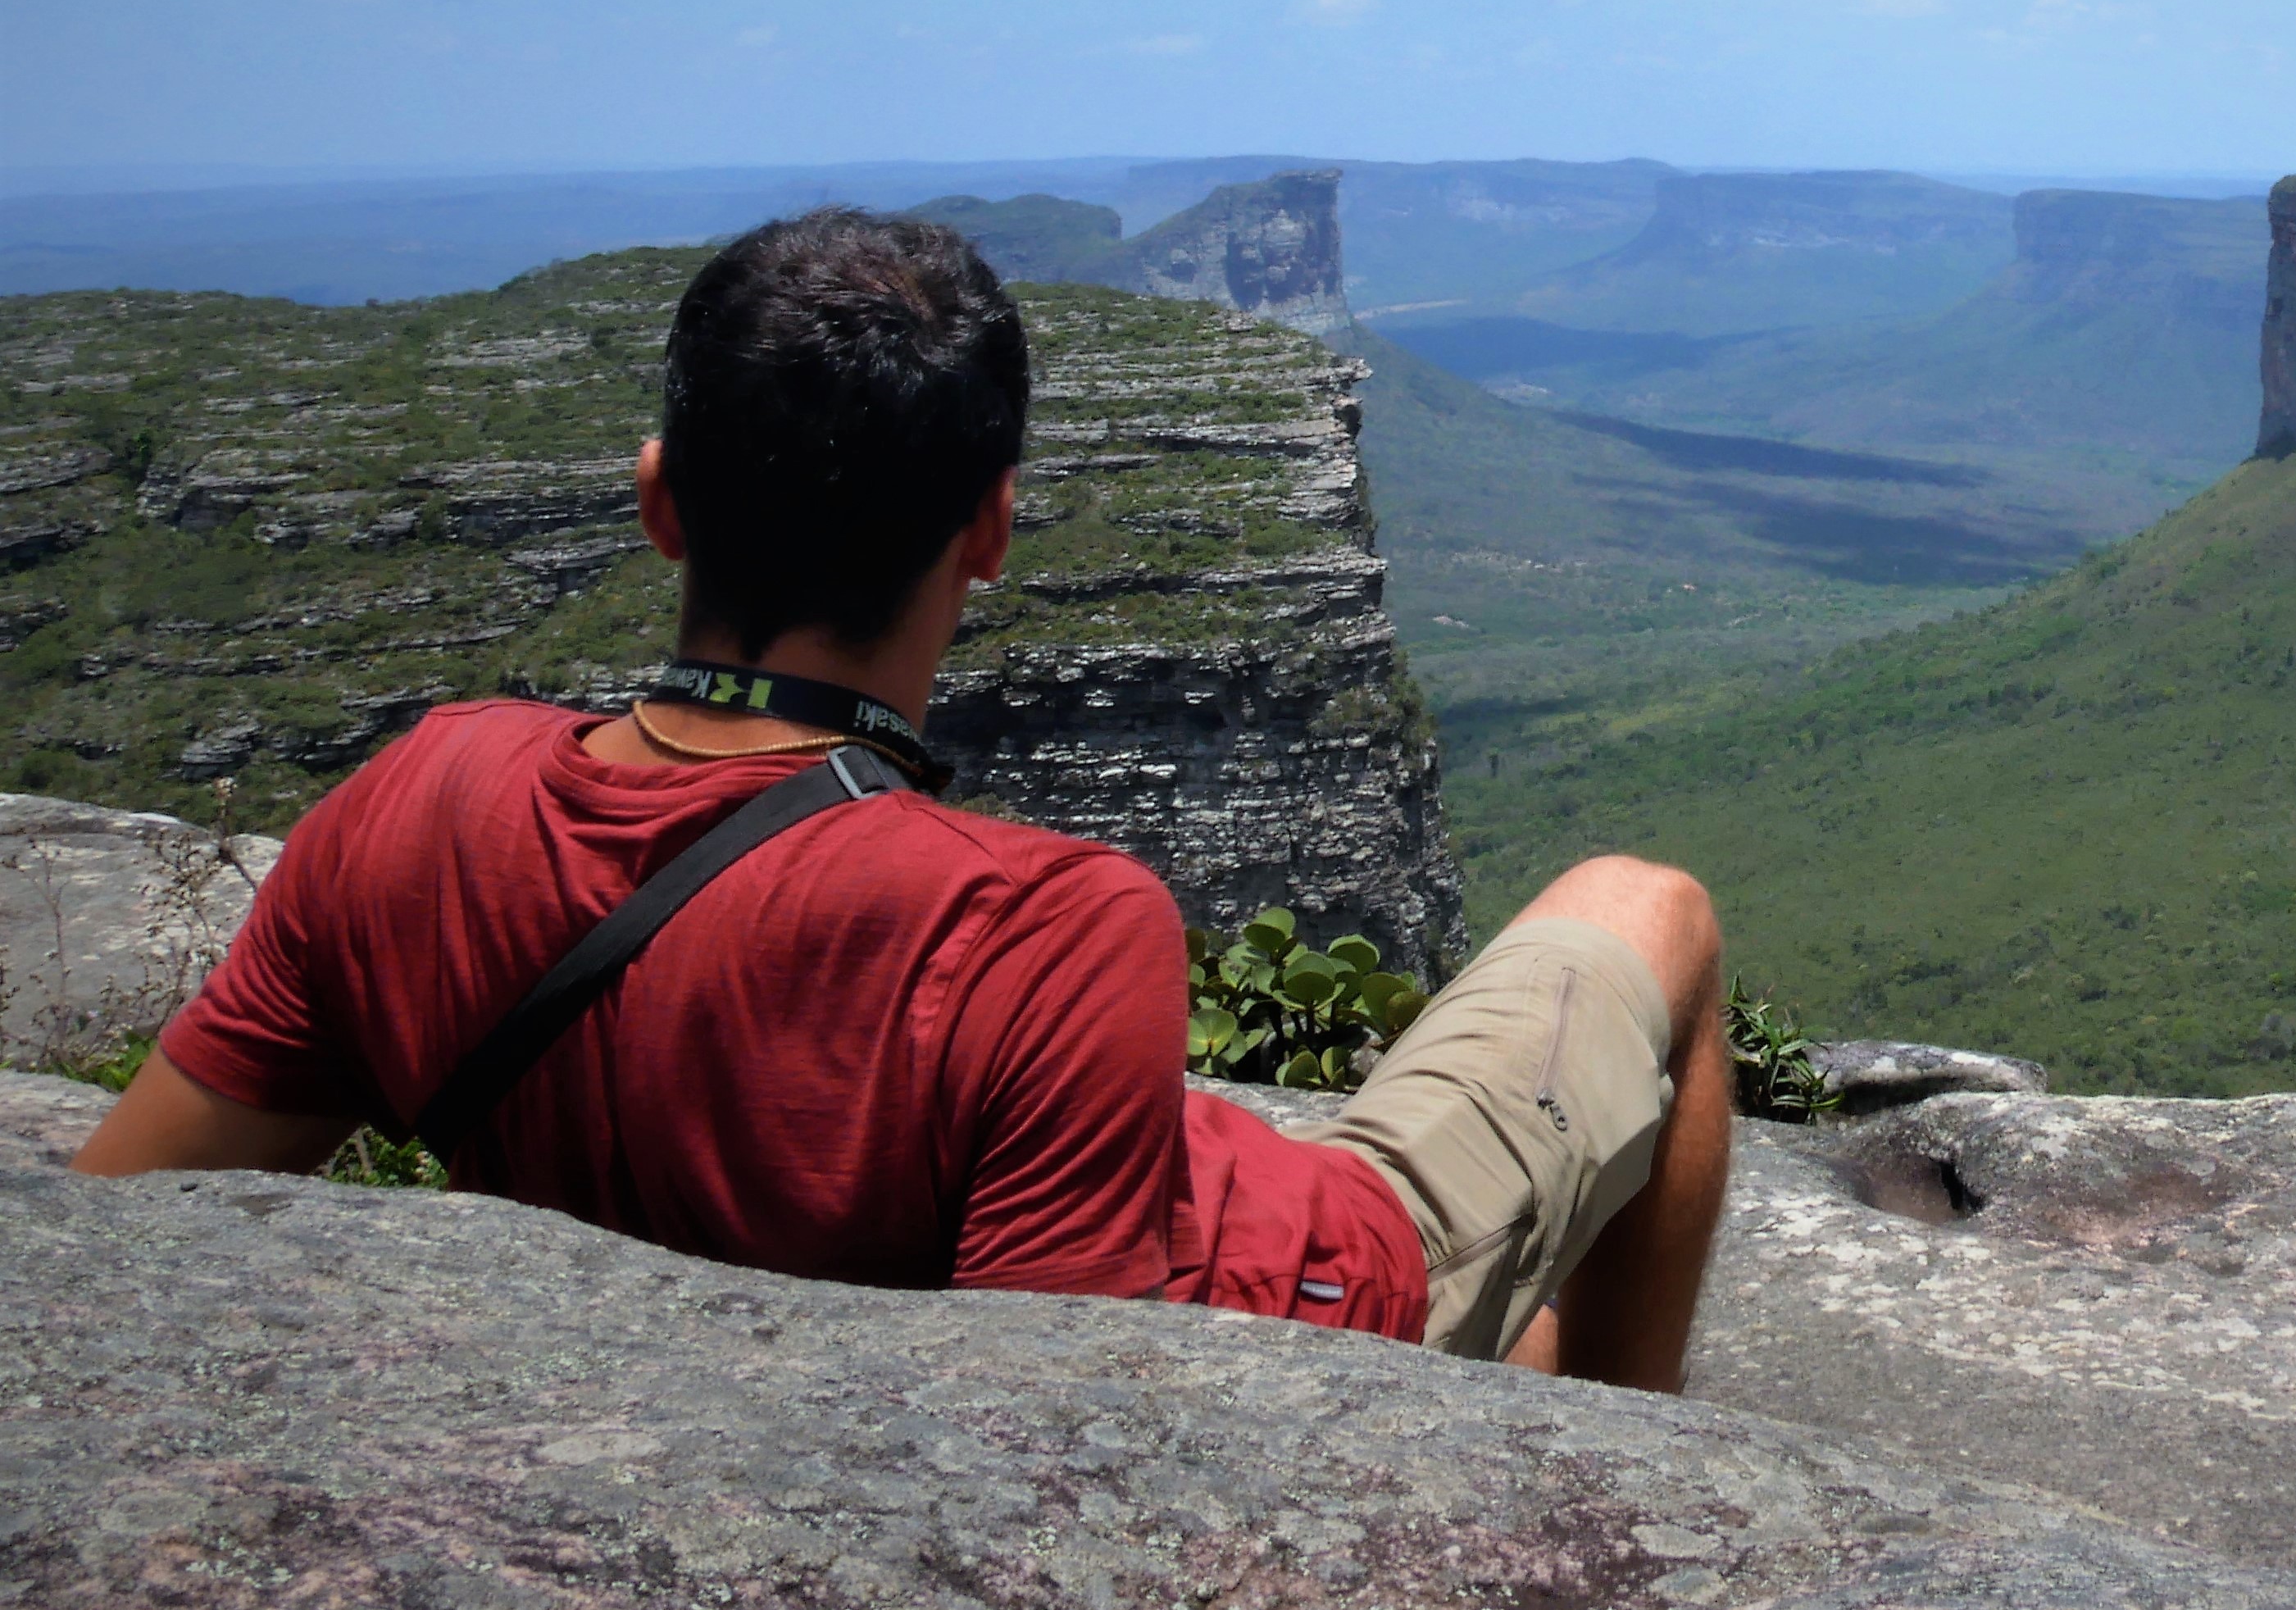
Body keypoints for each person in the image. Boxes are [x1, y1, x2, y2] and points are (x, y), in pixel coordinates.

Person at [71, 208, 1731, 1390]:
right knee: (1649, 910)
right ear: (993, 528)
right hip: (1316, 1275)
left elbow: (114, 1246)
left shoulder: (413, 802)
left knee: (1531, 1327)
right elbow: (1085, 1446)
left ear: (660, 503)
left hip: (1081, 1251)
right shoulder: (1043, 928)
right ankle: (1625, 1463)